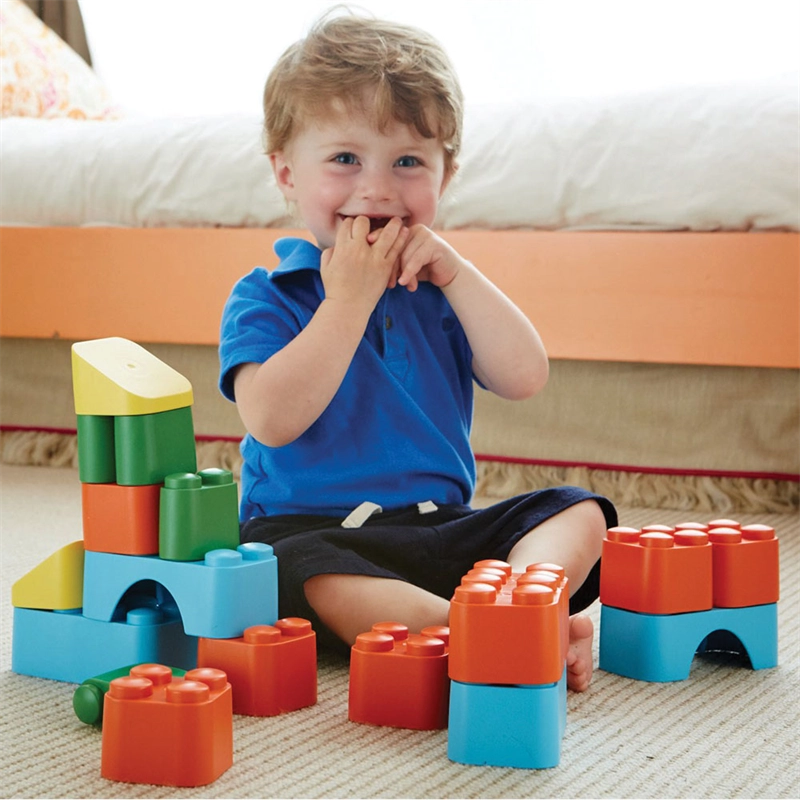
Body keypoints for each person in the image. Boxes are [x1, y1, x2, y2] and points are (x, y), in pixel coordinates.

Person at [219, 9, 618, 692]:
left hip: (444, 530)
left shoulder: (441, 289)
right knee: (282, 570)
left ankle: (521, 603)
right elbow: (272, 419)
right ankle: (478, 630)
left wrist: (458, 275)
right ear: (286, 174)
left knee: (579, 510)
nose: (376, 188)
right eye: (345, 159)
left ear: (445, 174)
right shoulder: (267, 296)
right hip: (320, 535)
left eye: (407, 162)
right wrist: (347, 302)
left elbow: (524, 376)